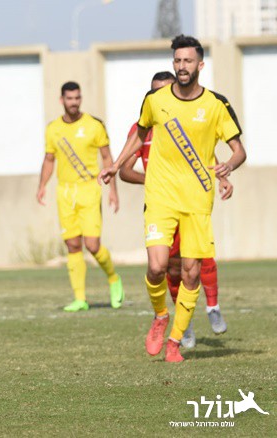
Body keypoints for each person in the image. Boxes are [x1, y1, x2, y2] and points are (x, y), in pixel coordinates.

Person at [100, 35, 246, 362]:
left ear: (200, 65)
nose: (182, 66)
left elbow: (238, 150)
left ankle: (175, 342)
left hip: (197, 201)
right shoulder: (155, 101)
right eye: (177, 60)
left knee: (191, 273)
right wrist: (116, 165)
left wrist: (228, 167)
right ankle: (160, 315)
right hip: (161, 196)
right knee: (157, 267)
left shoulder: (216, 105)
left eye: (188, 61)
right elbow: (139, 134)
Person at [119, 71, 234, 349]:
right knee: (167, 266)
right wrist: (154, 181)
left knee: (198, 261)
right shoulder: (141, 128)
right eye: (155, 91)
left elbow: (204, 153)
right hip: (161, 203)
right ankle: (183, 324)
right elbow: (125, 170)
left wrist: (222, 176)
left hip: (191, 199)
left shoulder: (188, 118)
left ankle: (213, 306)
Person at [37, 81, 123, 312]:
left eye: (77, 98)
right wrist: (42, 185)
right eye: (69, 98)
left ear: (80, 99)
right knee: (73, 244)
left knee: (92, 245)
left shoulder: (94, 125)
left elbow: (107, 159)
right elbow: (49, 159)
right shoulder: (53, 128)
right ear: (62, 100)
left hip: (89, 189)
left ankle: (113, 278)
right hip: (65, 192)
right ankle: (80, 298)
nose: (74, 102)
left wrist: (113, 191)